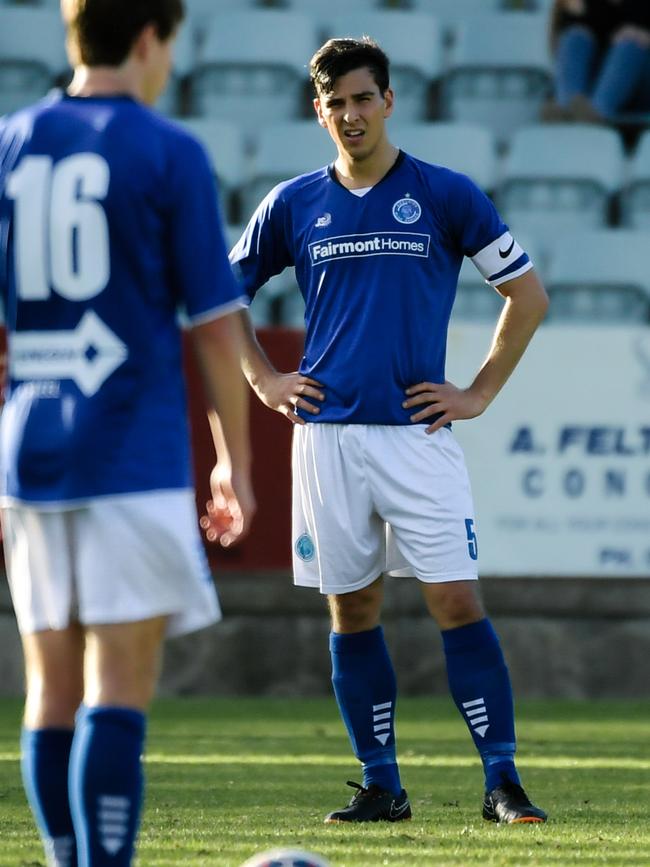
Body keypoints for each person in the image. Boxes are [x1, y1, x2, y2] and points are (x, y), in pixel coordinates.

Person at [224, 37, 549, 826]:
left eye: (363, 98)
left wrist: (476, 392)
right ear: (319, 111)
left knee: (455, 599)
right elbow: (218, 294)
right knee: (353, 610)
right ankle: (382, 784)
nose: (351, 113)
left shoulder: (443, 193)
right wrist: (263, 377)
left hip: (415, 435)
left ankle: (502, 782)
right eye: (335, 102)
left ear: (389, 100)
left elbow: (528, 296)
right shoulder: (294, 202)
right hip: (326, 438)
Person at [0, 1, 255, 864]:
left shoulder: (9, 141)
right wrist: (234, 465)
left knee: (50, 691)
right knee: (117, 689)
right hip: (129, 449)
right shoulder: (167, 149)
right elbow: (218, 326)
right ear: (152, 38)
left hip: (29, 452)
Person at [545, 0, 650, 123]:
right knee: (575, 37)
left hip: (641, 86)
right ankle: (567, 108)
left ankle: (596, 114)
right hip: (593, 88)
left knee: (630, 45)